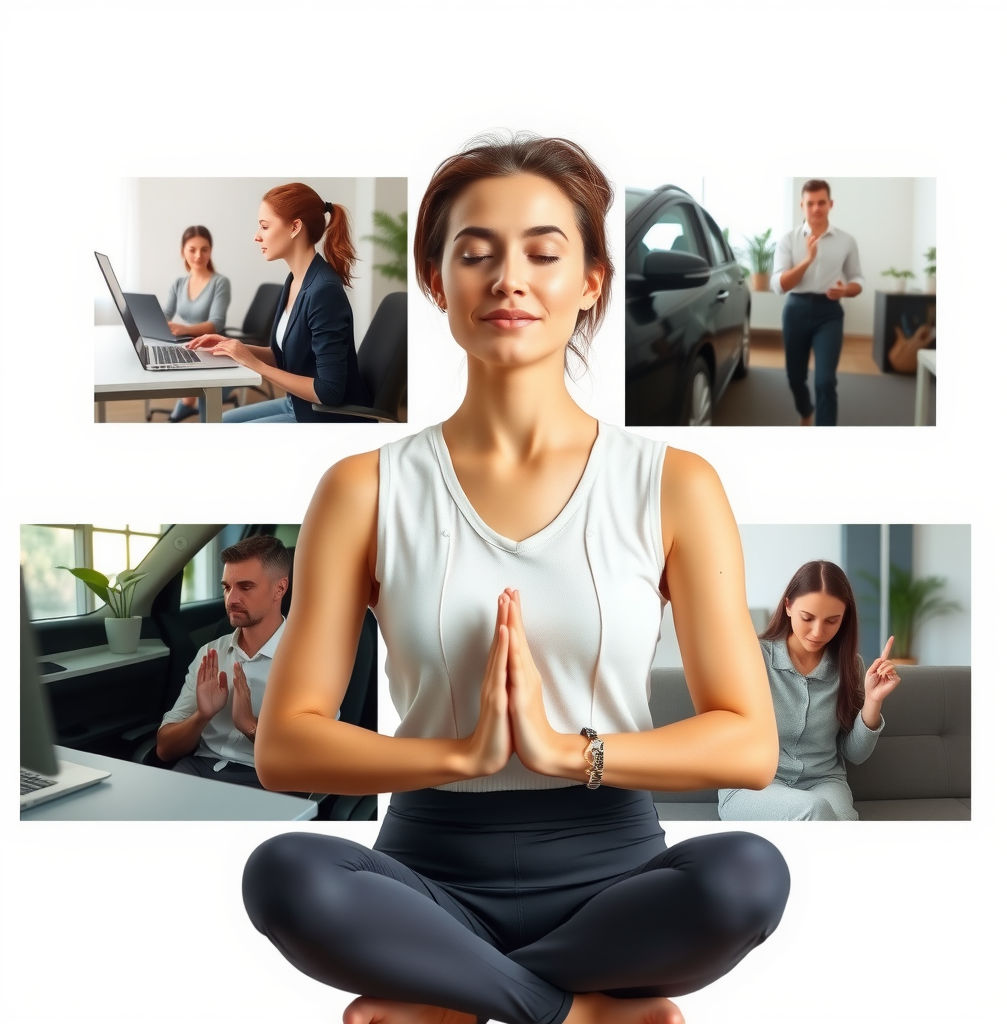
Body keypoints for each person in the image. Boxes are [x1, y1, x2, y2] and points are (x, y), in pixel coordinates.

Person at [242, 135, 790, 1024]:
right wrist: (459, 756)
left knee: (747, 878)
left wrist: (568, 751)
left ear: (591, 281)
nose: (509, 279)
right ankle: (577, 1011)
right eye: (475, 253)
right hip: (426, 872)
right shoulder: (362, 489)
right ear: (435, 280)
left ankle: (449, 991)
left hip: (616, 882)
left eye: (543, 251)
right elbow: (286, 748)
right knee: (287, 875)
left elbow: (747, 745)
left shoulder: (674, 483)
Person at [719, 560, 901, 821]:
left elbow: (855, 755)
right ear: (789, 606)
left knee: (842, 822)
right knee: (815, 810)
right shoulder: (753, 657)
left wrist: (872, 701)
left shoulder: (850, 667)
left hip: (823, 780)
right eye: (808, 618)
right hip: (755, 783)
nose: (818, 632)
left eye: (832, 620)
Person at [186, 183, 371, 423]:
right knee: (224, 421)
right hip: (297, 403)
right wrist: (233, 348)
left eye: (264, 226)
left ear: (295, 227)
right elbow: (283, 356)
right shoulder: (295, 279)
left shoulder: (324, 292)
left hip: (324, 416)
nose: (257, 235)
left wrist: (254, 365)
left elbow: (329, 392)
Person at [155, 536, 290, 787]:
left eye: (246, 587)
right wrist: (202, 716)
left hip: (265, 781)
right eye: (227, 587)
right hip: (197, 769)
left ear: (279, 589)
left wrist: (250, 727)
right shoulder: (210, 653)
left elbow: (312, 762)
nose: (231, 599)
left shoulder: (308, 660)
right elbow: (165, 750)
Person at [770, 180, 865, 427]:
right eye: (810, 203)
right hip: (795, 311)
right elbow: (778, 285)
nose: (816, 208)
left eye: (821, 202)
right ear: (802, 205)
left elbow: (858, 279)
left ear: (830, 204)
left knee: (825, 381)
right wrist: (807, 260)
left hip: (829, 313)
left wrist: (846, 290)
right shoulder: (788, 241)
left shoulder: (846, 240)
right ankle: (805, 410)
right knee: (795, 378)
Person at [162, 225, 233, 422]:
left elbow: (216, 324)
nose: (198, 256)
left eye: (204, 249)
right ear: (183, 251)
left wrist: (183, 328)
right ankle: (187, 401)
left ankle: (189, 402)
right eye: (192, 249)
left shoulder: (220, 282)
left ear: (211, 250)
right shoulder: (179, 283)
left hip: (213, 345)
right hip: (188, 344)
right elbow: (166, 314)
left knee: (205, 403)